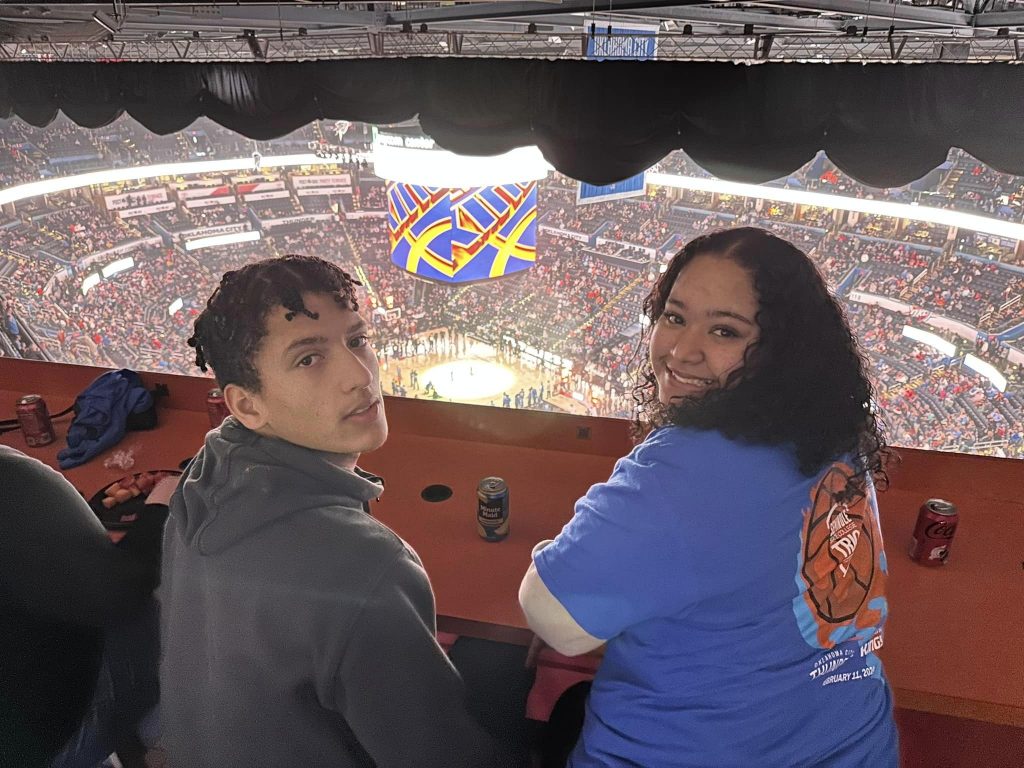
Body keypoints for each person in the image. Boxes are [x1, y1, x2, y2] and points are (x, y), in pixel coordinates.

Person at [519, 228, 898, 767]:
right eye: (674, 317)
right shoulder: (831, 431)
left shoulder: (686, 469)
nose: (682, 350)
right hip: (855, 745)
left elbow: (553, 617)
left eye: (724, 331)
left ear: (784, 352)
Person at [160, 255, 499, 767]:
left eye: (358, 340)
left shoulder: (201, 478)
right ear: (247, 405)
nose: (359, 375)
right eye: (308, 358)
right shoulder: (366, 567)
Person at [0, 446, 170, 768]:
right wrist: (162, 504)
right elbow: (120, 590)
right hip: (51, 741)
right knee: (174, 598)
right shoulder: (9, 478)